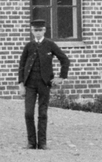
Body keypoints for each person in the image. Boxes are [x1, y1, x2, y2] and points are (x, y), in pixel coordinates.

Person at [17, 19, 70, 150]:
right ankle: (31, 143)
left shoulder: (50, 45)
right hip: (30, 84)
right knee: (28, 113)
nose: (38, 33)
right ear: (32, 31)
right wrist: (21, 84)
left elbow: (65, 60)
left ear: (44, 30)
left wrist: (61, 77)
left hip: (44, 84)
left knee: (43, 113)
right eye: (35, 30)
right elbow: (22, 65)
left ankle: (42, 143)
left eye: (40, 30)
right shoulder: (28, 46)